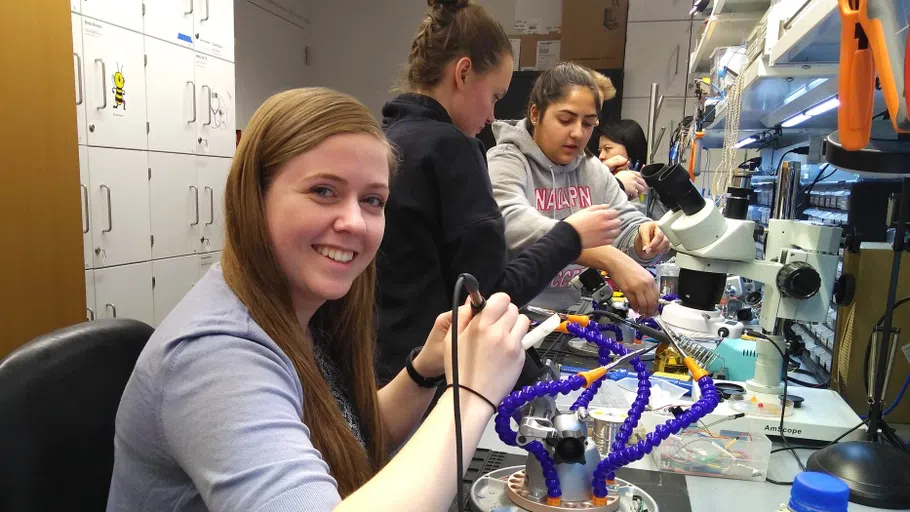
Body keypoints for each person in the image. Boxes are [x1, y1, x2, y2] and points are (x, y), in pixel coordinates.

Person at [106, 88, 531, 512]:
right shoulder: (212, 356)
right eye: (324, 191)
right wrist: (471, 394)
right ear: (254, 198)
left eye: (372, 201)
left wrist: (427, 369)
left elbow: (349, 439)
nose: (354, 223)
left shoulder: (305, 308)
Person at [376, 0, 623, 384]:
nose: (493, 117)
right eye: (493, 96)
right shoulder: (452, 148)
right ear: (462, 73)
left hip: (383, 367)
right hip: (432, 376)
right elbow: (491, 297)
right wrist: (569, 237)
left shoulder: (388, 137)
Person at [487, 62, 671, 315]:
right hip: (514, 315)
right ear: (535, 114)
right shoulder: (507, 160)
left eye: (588, 124)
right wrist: (608, 257)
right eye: (566, 119)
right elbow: (511, 224)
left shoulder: (591, 168)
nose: (577, 133)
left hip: (574, 314)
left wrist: (644, 237)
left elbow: (624, 223)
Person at [598, 119, 650, 200]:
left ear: (631, 149)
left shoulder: (652, 189)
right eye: (600, 151)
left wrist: (644, 195)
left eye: (607, 148)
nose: (601, 156)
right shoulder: (595, 181)